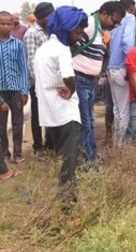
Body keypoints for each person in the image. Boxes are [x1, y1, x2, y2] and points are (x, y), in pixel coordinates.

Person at [34, 6, 88, 211]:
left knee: (63, 160)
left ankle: (65, 202)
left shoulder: (43, 49)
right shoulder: (62, 50)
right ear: (66, 29)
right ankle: (68, 207)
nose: (80, 36)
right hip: (66, 115)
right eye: (77, 31)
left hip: (49, 114)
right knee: (69, 164)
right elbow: (68, 75)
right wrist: (71, 89)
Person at [72, 1, 124, 167]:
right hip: (79, 79)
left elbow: (98, 55)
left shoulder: (102, 32)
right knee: (85, 122)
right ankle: (87, 160)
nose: (115, 25)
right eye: (113, 21)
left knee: (90, 121)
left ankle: (91, 154)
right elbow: (71, 48)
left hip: (89, 81)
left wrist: (97, 73)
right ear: (103, 14)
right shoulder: (88, 26)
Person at [23, 2, 55, 161]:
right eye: (50, 15)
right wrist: (40, 84)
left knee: (50, 113)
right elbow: (31, 63)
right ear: (43, 17)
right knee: (37, 115)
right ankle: (37, 147)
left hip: (50, 82)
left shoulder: (49, 31)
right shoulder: (32, 34)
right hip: (38, 84)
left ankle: (49, 143)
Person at [107, 0, 136, 146]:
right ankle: (120, 146)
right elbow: (127, 42)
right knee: (124, 111)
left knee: (117, 108)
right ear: (130, 7)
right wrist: (130, 65)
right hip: (122, 67)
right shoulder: (129, 18)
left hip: (111, 68)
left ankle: (115, 143)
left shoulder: (115, 22)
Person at [0, 11, 28, 164]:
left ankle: (18, 153)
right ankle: (5, 152)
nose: (5, 26)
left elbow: (23, 68)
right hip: (1, 90)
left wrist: (24, 91)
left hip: (16, 89)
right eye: (1, 23)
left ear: (12, 24)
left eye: (7, 23)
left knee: (17, 122)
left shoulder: (18, 44)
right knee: (1, 124)